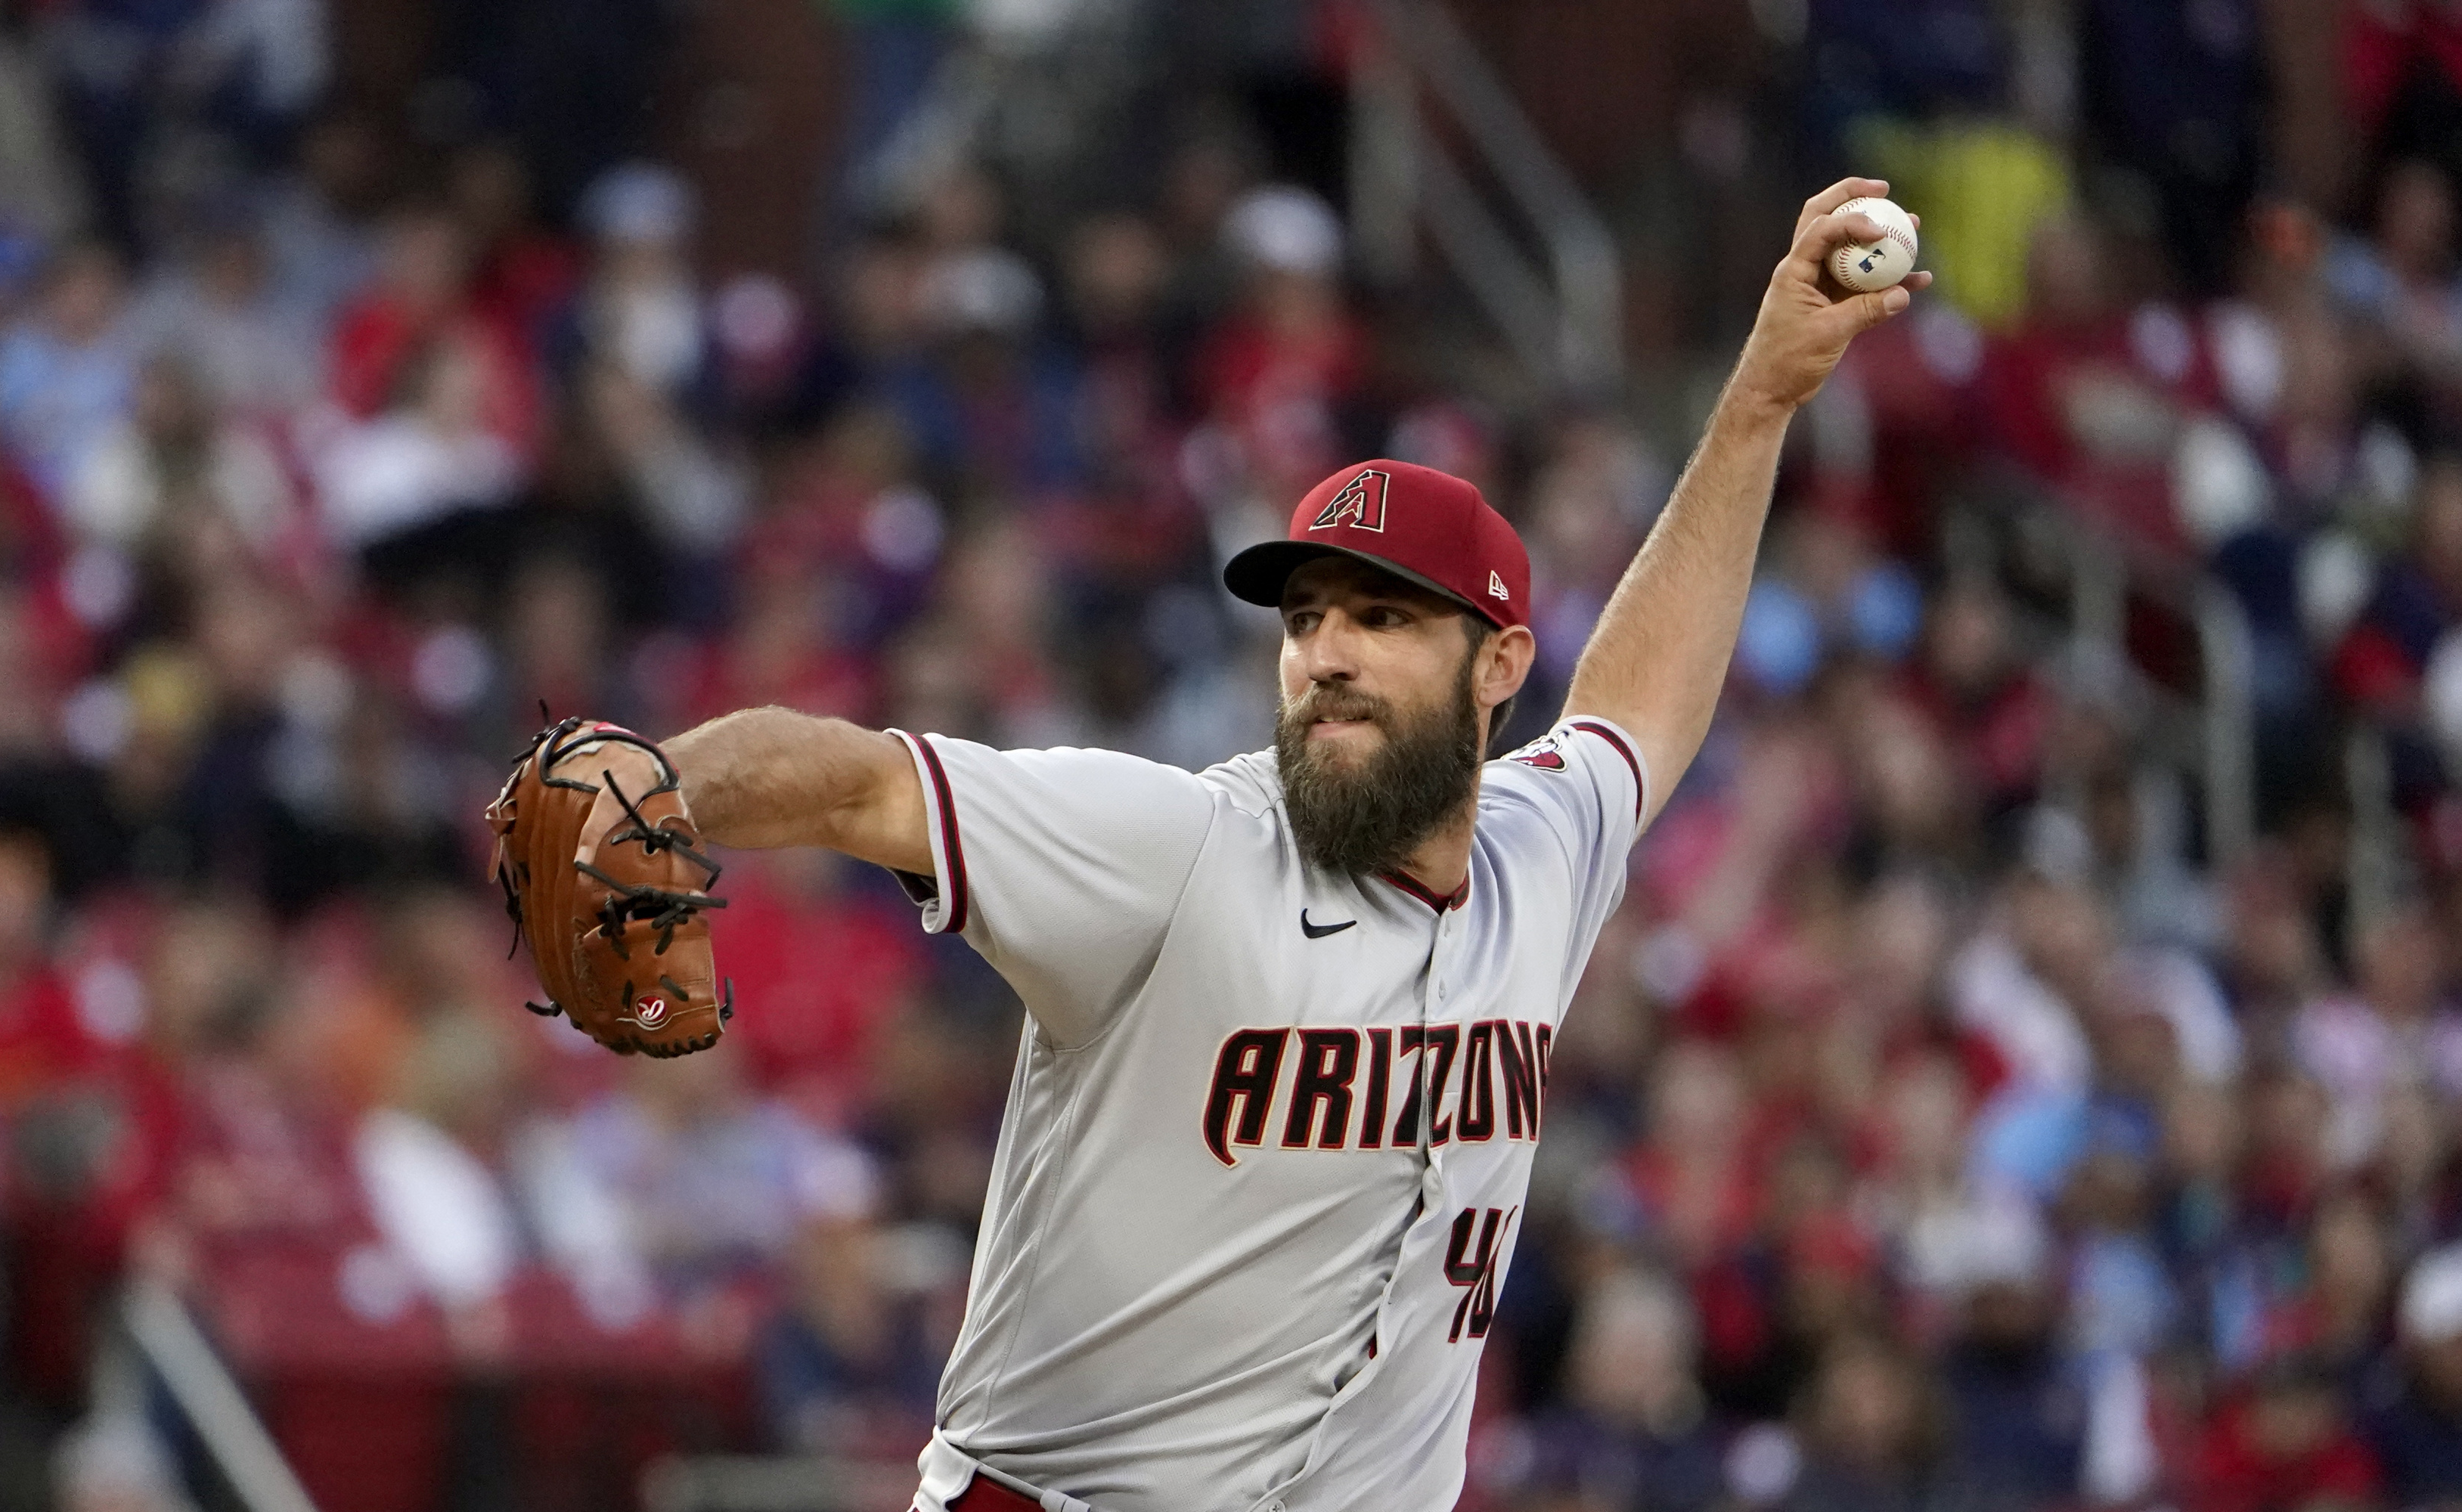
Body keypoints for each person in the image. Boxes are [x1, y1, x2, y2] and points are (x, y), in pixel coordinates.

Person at [622, 181, 1927, 1510]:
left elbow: (1640, 702)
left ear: (1500, 667)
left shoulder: (1545, 847)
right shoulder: (1176, 847)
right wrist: (654, 791)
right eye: (1305, 618)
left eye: (1384, 618)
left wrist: (1761, 400)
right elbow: (857, 784)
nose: (1328, 655)